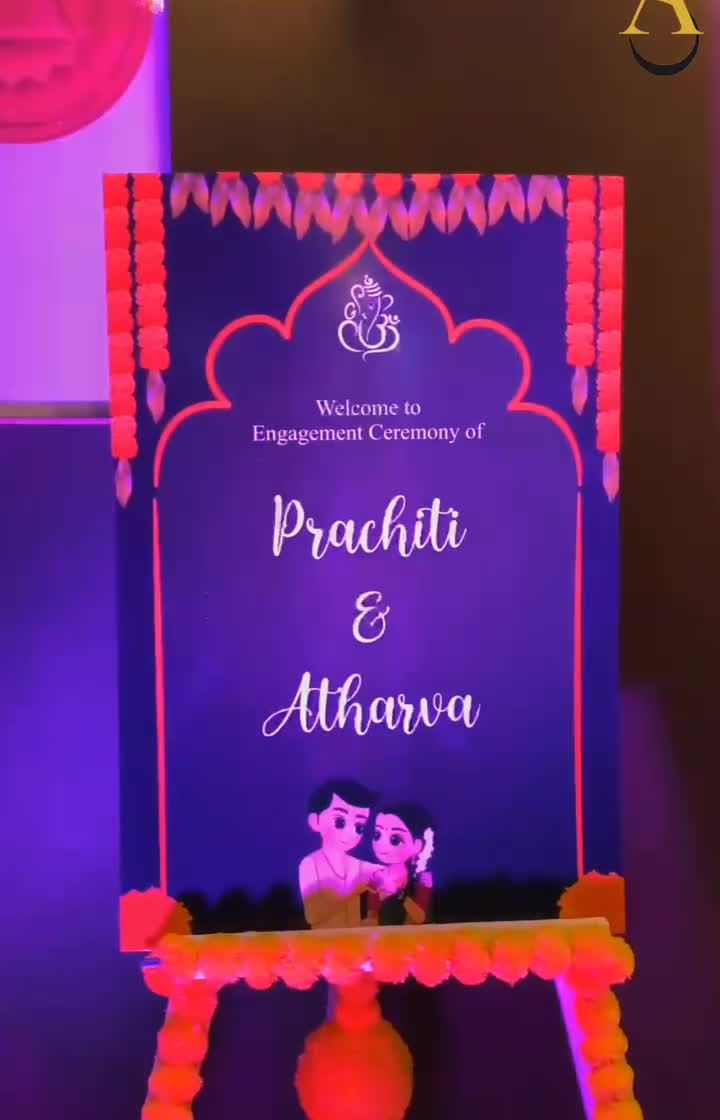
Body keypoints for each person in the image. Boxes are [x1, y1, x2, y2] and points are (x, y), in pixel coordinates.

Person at [299, 778, 379, 929]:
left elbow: (387, 877)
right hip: (323, 942)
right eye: (340, 822)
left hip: (355, 942)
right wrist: (354, 890)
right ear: (315, 821)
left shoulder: (359, 866)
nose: (351, 833)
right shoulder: (310, 864)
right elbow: (312, 914)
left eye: (359, 826)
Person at [367, 802, 434, 926]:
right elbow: (371, 917)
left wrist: (398, 894)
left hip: (411, 937)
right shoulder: (376, 878)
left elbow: (420, 918)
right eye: (377, 835)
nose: (382, 844)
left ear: (417, 845)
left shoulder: (422, 879)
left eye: (395, 840)